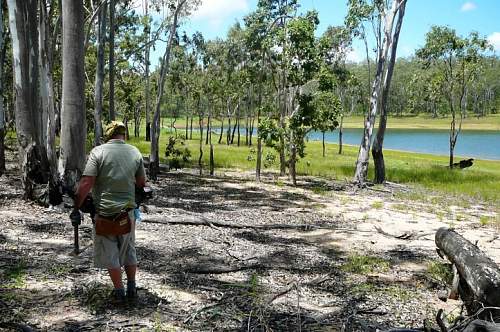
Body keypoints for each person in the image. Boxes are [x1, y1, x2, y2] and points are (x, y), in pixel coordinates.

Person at [71, 121, 146, 304]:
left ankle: (119, 293)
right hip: (128, 214)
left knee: (110, 252)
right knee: (129, 250)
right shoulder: (135, 152)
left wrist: (76, 205)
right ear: (123, 135)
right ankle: (132, 288)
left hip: (105, 214)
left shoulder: (99, 152)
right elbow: (142, 183)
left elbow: (87, 182)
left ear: (108, 134)